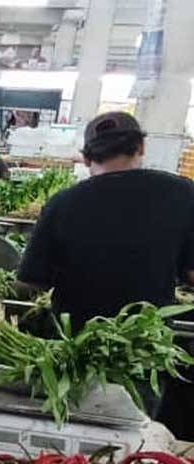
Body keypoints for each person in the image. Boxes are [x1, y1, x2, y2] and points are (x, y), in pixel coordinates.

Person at [19, 111, 194, 332]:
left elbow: (34, 281)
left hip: (76, 346)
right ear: (141, 147)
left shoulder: (61, 204)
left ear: (85, 157)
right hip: (147, 346)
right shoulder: (182, 193)